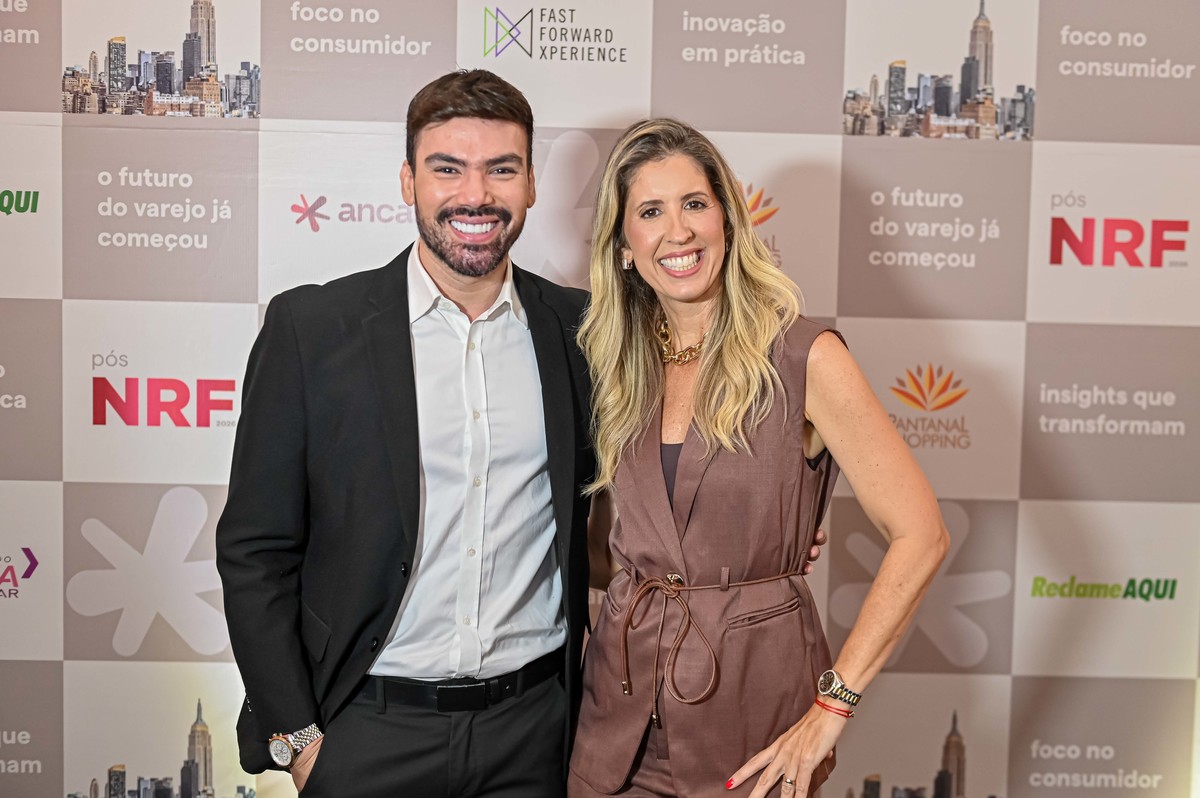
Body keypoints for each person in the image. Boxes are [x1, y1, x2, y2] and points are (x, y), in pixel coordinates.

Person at [215, 70, 597, 798]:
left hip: (535, 734)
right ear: (407, 181)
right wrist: (298, 739)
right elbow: (254, 551)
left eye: (501, 169)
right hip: (366, 732)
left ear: (531, 185)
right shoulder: (311, 330)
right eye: (447, 168)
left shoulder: (581, 331)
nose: (475, 195)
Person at [567, 119, 950, 798]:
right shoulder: (615, 364)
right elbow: (611, 551)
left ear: (727, 219)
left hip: (754, 731)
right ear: (623, 246)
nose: (677, 232)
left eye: (694, 204)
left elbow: (922, 536)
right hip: (614, 730)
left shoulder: (805, 357)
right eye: (650, 212)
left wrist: (833, 706)